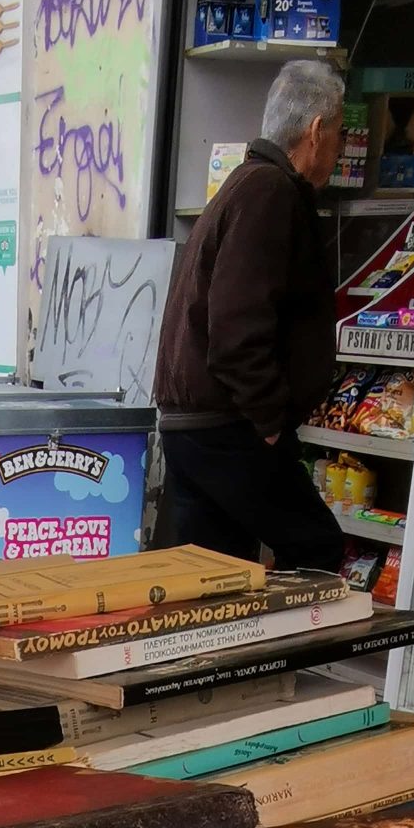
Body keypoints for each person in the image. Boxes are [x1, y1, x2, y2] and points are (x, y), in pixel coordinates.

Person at [153, 57, 347, 570]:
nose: (339, 149)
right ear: (316, 131)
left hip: (200, 426)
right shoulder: (269, 191)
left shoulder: (245, 186)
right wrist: (269, 421)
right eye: (339, 134)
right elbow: (237, 326)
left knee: (217, 578)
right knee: (316, 547)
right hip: (228, 426)